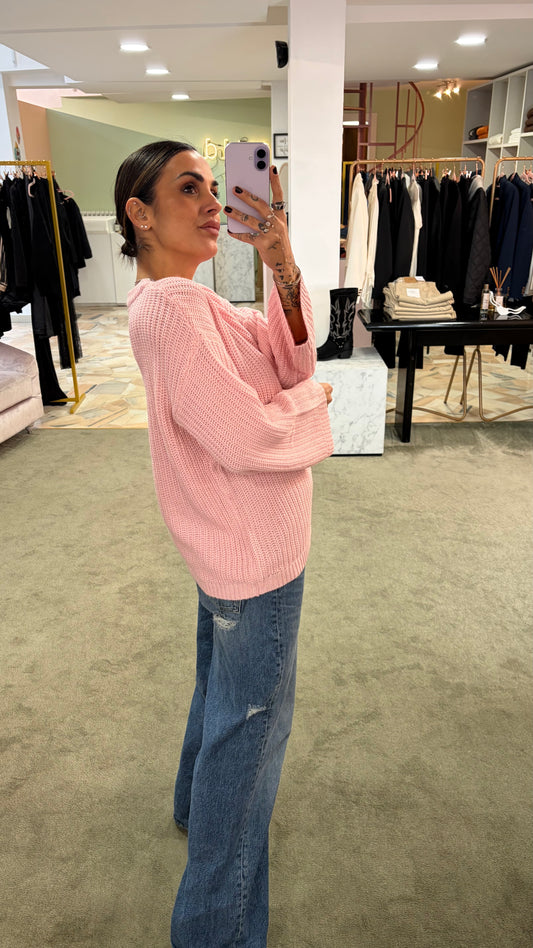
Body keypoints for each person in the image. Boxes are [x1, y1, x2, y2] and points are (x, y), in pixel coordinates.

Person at [114, 139, 334, 948]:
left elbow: (282, 358)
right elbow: (251, 431)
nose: (213, 202)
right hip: (253, 552)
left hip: (229, 545)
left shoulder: (187, 301)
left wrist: (280, 263)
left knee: (221, 693)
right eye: (187, 188)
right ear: (139, 214)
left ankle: (188, 802)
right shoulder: (173, 311)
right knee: (250, 739)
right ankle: (215, 931)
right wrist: (318, 401)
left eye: (216, 185)